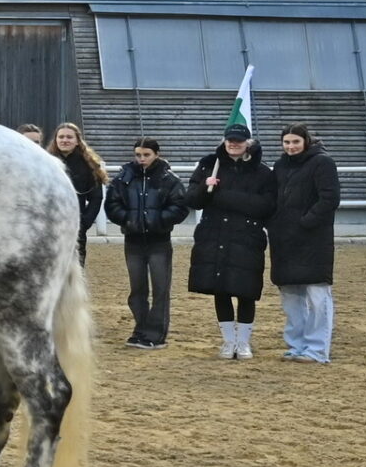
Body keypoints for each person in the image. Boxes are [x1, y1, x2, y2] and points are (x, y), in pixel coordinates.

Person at [188, 121, 277, 359]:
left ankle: (244, 341)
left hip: (246, 238)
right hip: (215, 235)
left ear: (247, 143)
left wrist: (220, 195)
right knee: (222, 290)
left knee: (246, 290)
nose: (233, 144)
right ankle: (228, 341)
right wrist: (204, 189)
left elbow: (264, 206)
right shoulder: (209, 165)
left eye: (238, 141)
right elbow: (192, 200)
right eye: (230, 140)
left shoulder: (264, 173)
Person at [105, 138, 187, 349]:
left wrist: (158, 220)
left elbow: (180, 206)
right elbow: (111, 204)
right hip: (133, 241)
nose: (141, 159)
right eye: (138, 155)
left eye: (146, 155)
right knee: (137, 289)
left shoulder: (169, 179)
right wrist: (127, 219)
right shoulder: (124, 178)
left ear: (156, 154)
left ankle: (156, 334)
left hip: (159, 242)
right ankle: (140, 329)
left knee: (160, 289)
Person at [270, 124, 339, 363]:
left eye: (295, 142)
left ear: (306, 141)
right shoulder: (280, 166)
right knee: (291, 297)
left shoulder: (322, 163)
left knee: (318, 296)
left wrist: (306, 222)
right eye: (287, 142)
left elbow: (330, 197)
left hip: (313, 241)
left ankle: (317, 349)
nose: (290, 147)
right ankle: (296, 345)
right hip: (284, 240)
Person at [50, 123, 106, 263]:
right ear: (56, 139)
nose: (65, 140)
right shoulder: (46, 161)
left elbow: (96, 197)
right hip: (50, 225)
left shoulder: (89, 165)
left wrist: (85, 222)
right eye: (61, 137)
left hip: (76, 227)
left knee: (75, 269)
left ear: (77, 141)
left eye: (69, 137)